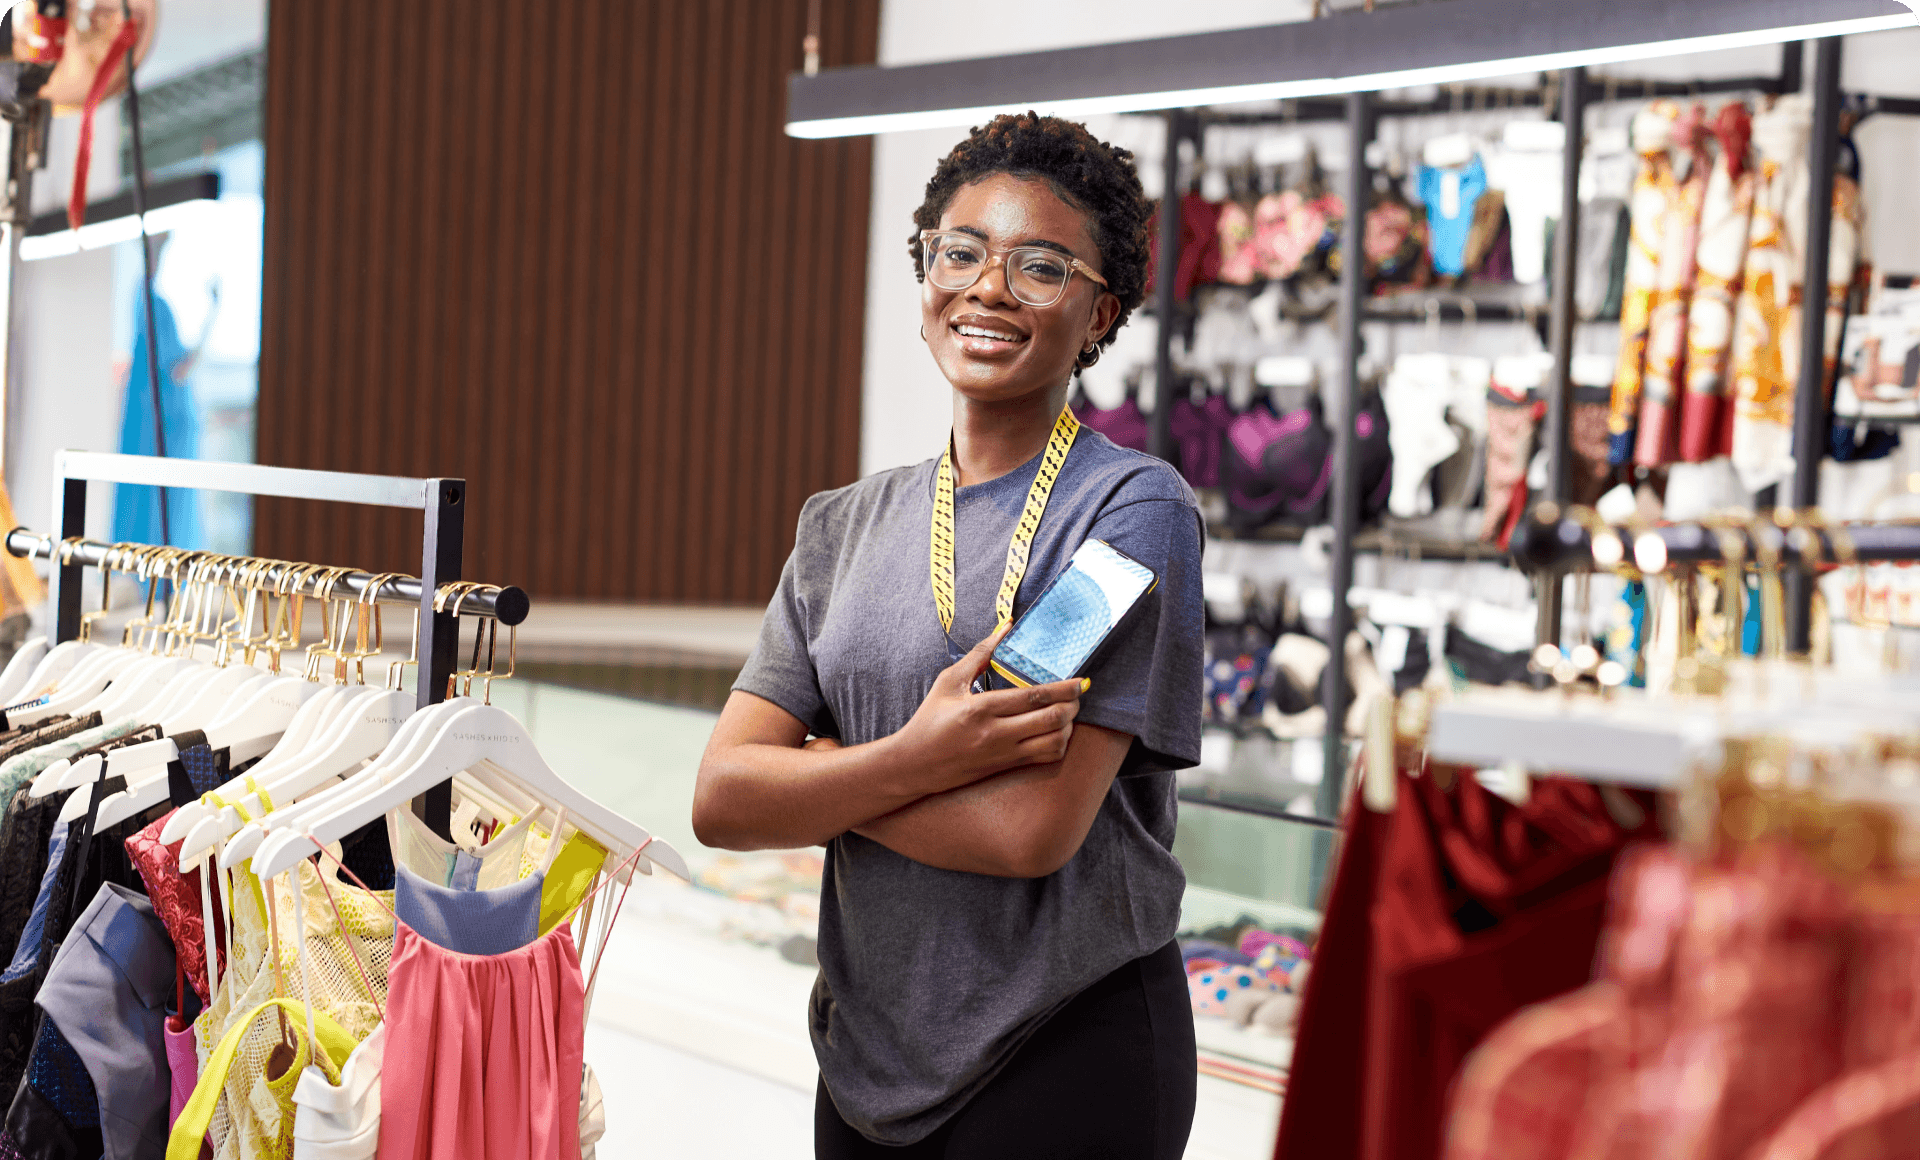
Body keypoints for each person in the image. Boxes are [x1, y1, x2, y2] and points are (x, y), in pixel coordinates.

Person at [694, 111, 1203, 1159]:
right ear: (924, 270)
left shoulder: (1131, 514)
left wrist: (825, 775)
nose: (987, 287)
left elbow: (1028, 832)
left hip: (1066, 1045)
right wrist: (917, 759)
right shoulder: (840, 523)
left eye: (1042, 267)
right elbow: (724, 797)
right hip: (865, 1052)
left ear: (1100, 312)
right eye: (960, 251)